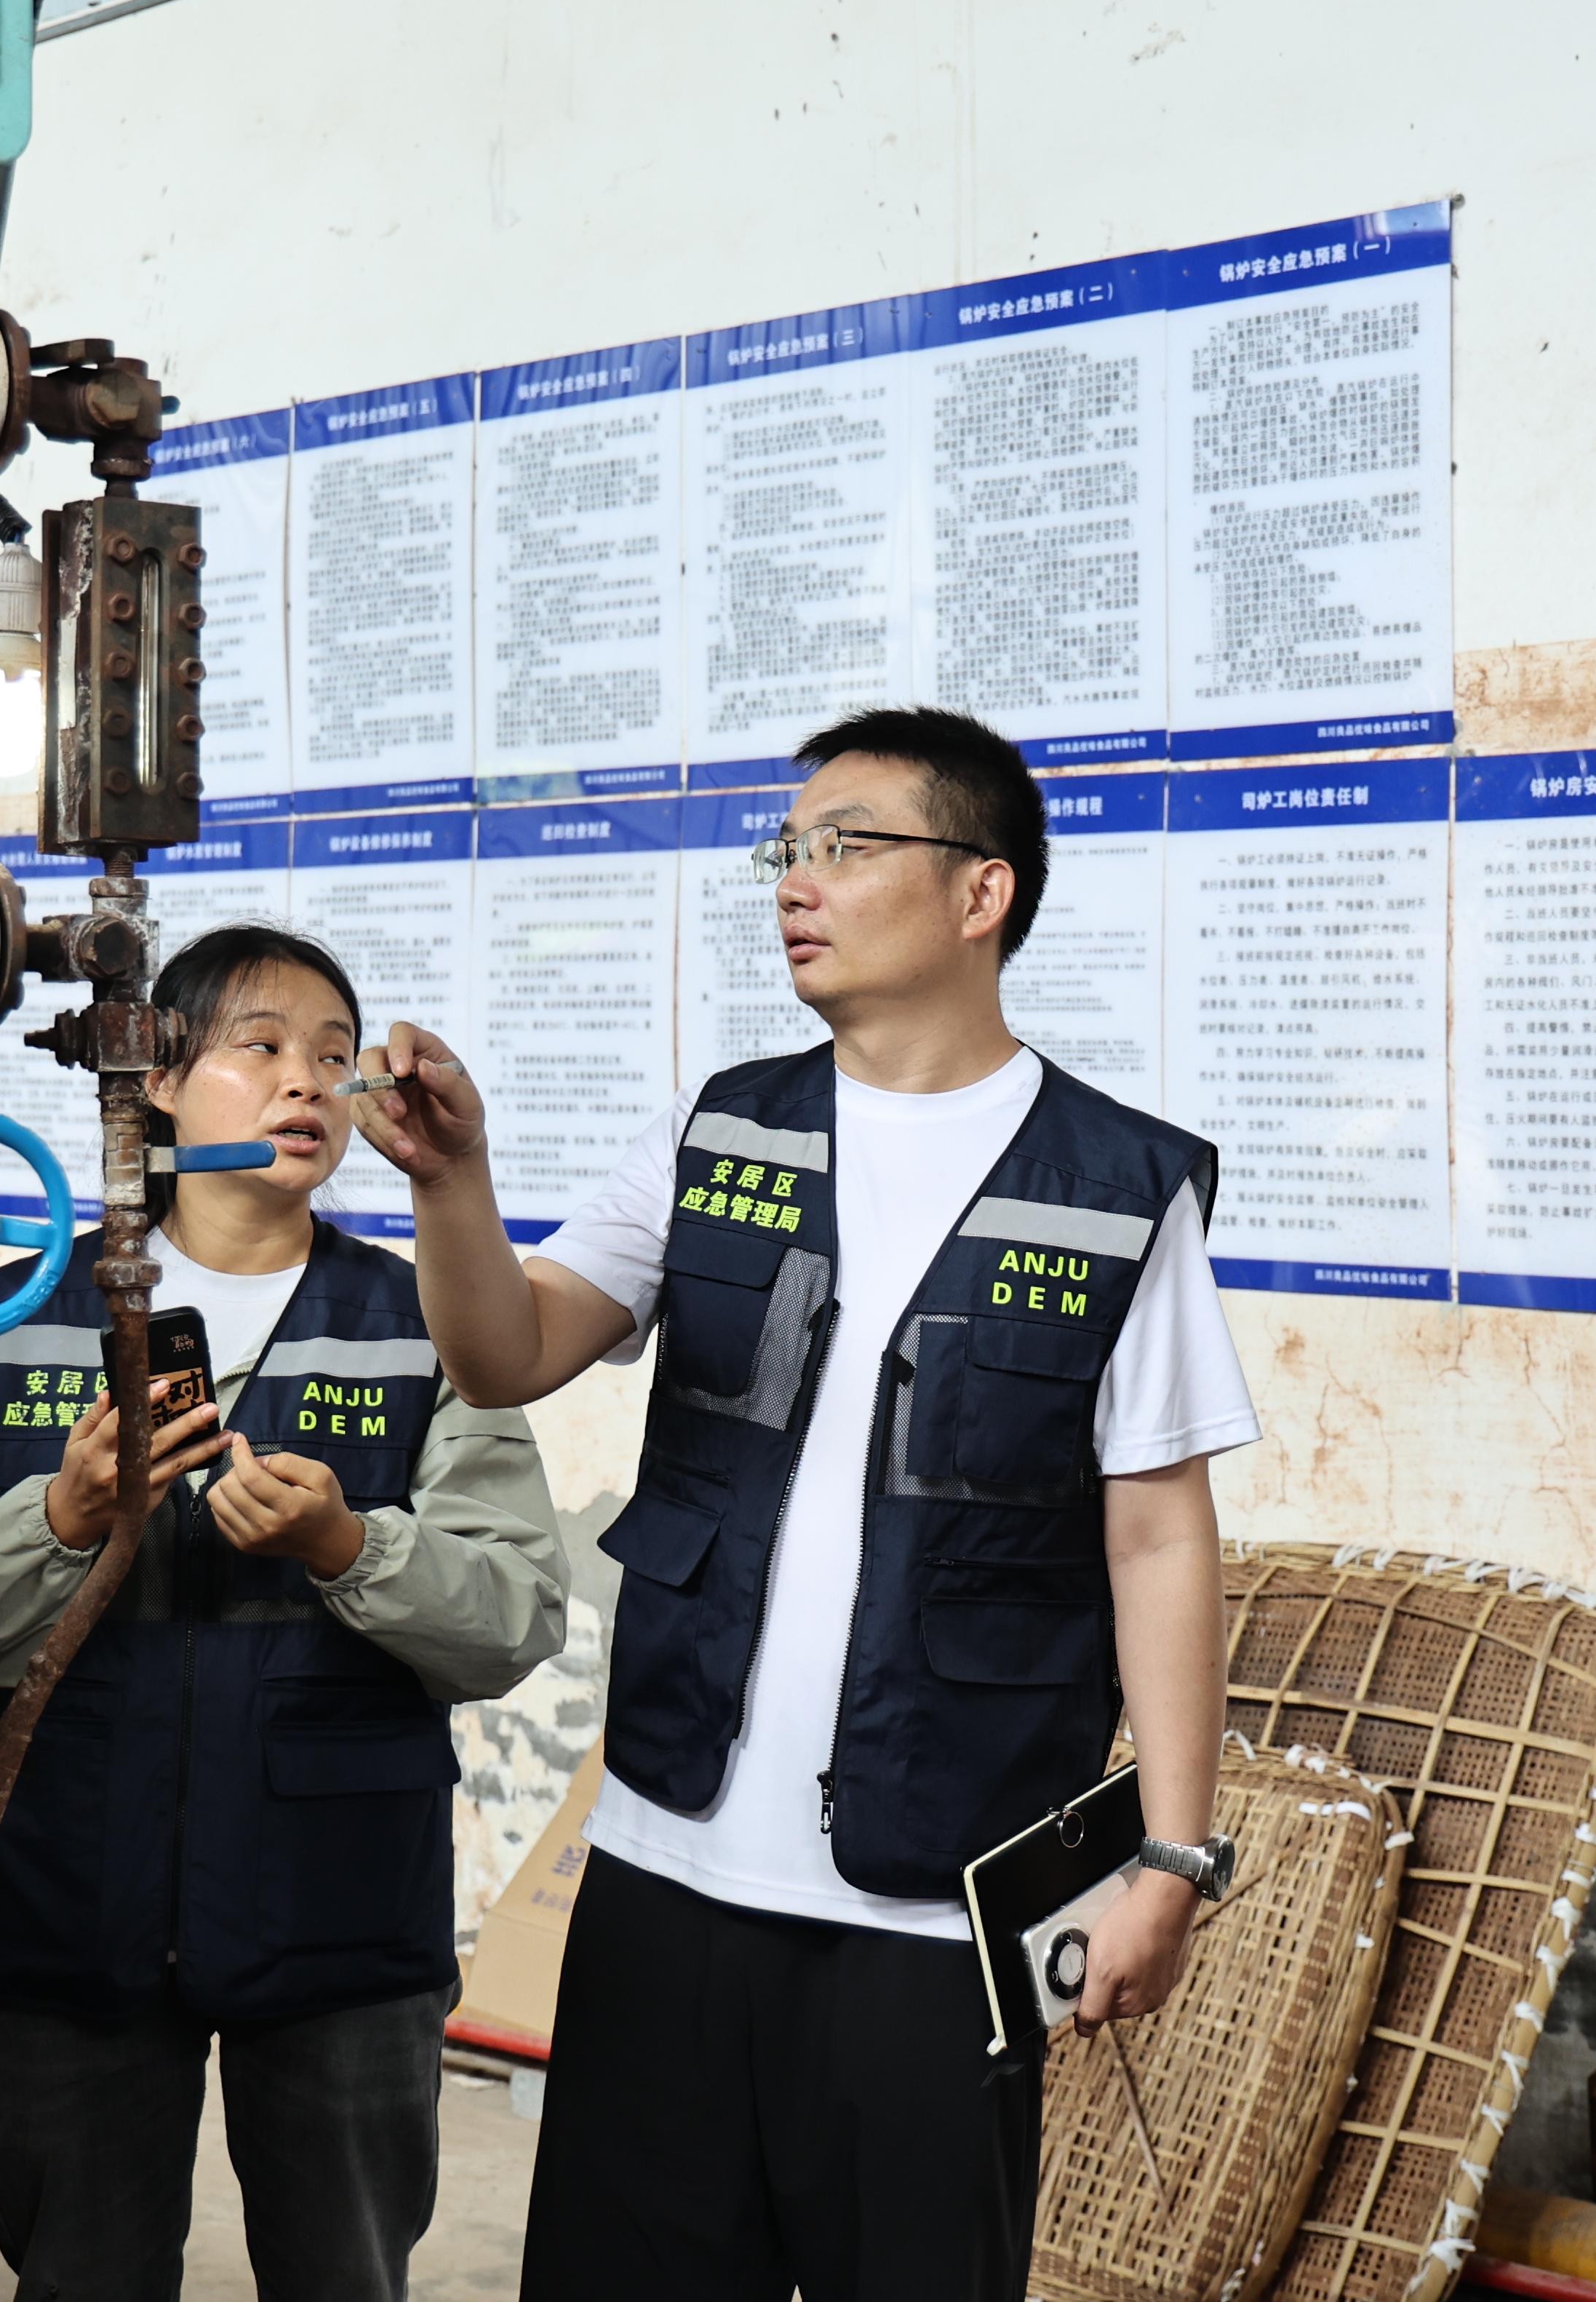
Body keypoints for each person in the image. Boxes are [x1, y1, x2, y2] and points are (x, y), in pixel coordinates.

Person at [348, 705, 1260, 2302]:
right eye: (790, 847)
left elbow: (1159, 1531)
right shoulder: (724, 1132)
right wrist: (450, 1185)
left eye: (847, 845)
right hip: (667, 1872)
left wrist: (1171, 1859)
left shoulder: (1117, 1188)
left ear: (981, 892)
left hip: (942, 1913)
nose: (797, 880)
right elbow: (505, 1354)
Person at [0, 925, 570, 2302]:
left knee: (344, 2273)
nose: (308, 1082)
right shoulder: (28, 1313)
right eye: (263, 1046)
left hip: (342, 1914)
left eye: (335, 1058)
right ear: (161, 1080)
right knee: (81, 2273)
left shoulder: (426, 1321)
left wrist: (349, 1546)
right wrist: (61, 1520)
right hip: (72, 1892)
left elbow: (518, 1612)